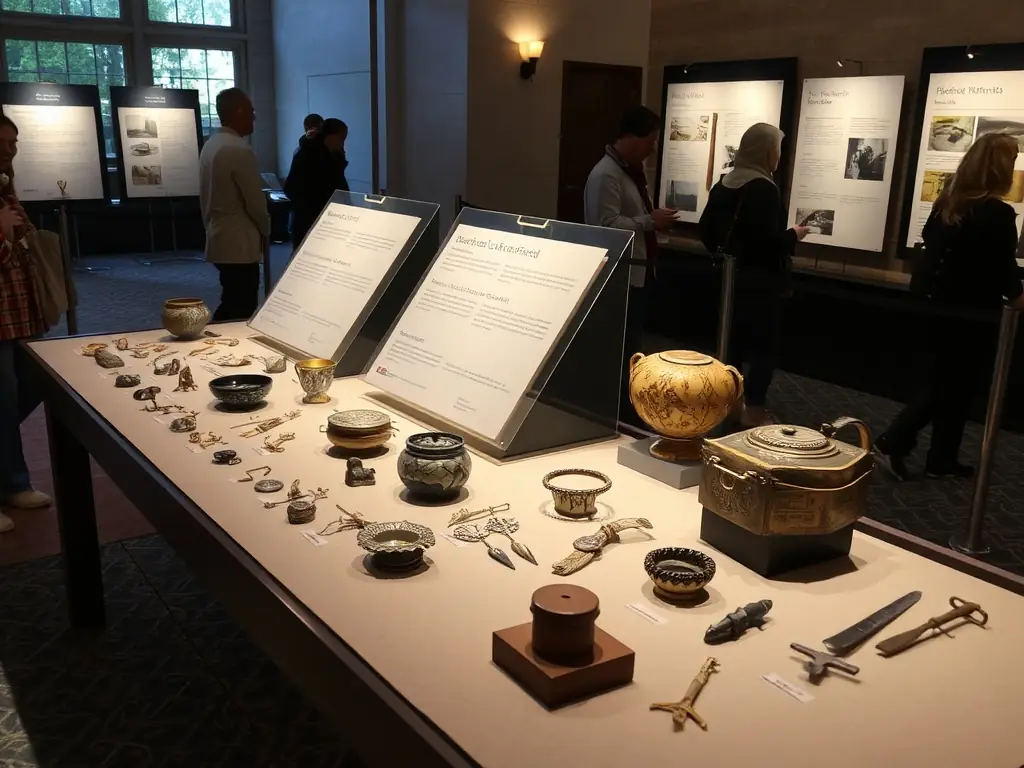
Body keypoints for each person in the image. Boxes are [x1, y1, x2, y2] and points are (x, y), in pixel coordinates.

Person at [875, 133, 1024, 481]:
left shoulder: (948, 203)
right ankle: (892, 441)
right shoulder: (998, 214)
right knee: (951, 388)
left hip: (939, 310)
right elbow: (1004, 272)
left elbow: (932, 245)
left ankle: (941, 458)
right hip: (973, 315)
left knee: (951, 385)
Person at [699, 122, 809, 427]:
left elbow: (706, 230)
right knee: (763, 347)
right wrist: (793, 236)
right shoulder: (764, 188)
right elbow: (766, 244)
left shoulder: (724, 183)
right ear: (767, 151)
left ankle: (729, 403)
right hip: (761, 284)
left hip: (729, 279)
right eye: (777, 149)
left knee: (730, 343)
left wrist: (729, 253)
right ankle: (754, 409)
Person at [584, 106, 677, 424]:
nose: (653, 148)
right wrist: (650, 221)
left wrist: (651, 221)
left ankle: (627, 404)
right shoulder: (606, 174)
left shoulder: (629, 171)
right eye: (650, 140)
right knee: (623, 344)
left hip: (637, 270)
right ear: (632, 138)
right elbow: (604, 225)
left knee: (632, 340)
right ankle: (619, 408)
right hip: (620, 275)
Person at [0, 114, 52, 532]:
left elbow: (23, 243)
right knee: (3, 398)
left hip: (16, 312)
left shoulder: (5, 185)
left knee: (30, 384)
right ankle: (12, 481)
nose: (8, 149)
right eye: (1, 142)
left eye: (13, 142)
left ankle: (11, 480)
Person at [199, 87, 270, 321]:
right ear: (238, 111)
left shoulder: (212, 145)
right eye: (251, 111)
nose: (254, 117)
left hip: (219, 235)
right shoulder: (239, 149)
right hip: (238, 241)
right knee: (241, 306)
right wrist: (267, 228)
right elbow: (255, 202)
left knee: (232, 298)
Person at [284, 118, 349, 250]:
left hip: (319, 218)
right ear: (330, 136)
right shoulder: (311, 156)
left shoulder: (329, 155)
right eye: (341, 138)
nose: (343, 143)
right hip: (311, 219)